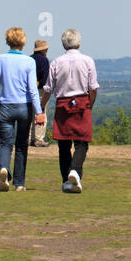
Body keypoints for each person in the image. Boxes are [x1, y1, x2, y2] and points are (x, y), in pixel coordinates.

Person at [45, 29, 98, 193]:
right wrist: (89, 104)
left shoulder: (56, 62)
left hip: (62, 103)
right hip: (82, 101)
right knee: (82, 142)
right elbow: (93, 87)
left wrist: (41, 107)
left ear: (63, 44)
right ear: (79, 43)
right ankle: (75, 171)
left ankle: (67, 179)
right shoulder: (88, 61)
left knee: (63, 144)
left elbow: (48, 88)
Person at [0, 27, 42, 191]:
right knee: (21, 145)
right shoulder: (29, 61)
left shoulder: (0, 59)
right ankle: (19, 182)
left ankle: (3, 169)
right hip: (24, 107)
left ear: (8, 40)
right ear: (23, 41)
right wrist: (39, 111)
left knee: (6, 144)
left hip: (5, 105)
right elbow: (33, 90)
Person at [28, 39, 52, 148]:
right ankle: (38, 138)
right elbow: (45, 79)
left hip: (28, 90)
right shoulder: (44, 60)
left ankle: (29, 138)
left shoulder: (29, 59)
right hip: (40, 90)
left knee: (30, 114)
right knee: (41, 113)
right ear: (43, 49)